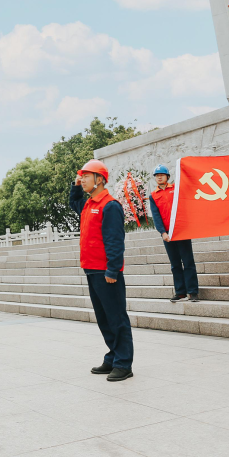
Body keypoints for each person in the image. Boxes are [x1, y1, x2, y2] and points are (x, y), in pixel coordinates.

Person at [69, 159, 133, 382]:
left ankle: (124, 363)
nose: (83, 179)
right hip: (91, 269)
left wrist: (113, 270)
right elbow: (73, 201)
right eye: (82, 176)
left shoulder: (110, 205)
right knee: (104, 318)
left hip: (106, 271)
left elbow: (115, 241)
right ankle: (113, 355)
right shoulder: (88, 205)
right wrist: (76, 185)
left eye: (86, 176)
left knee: (116, 317)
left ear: (99, 179)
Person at [148, 165, 199, 303]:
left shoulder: (176, 189)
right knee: (175, 264)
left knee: (188, 261)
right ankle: (180, 292)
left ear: (167, 177)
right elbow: (156, 216)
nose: (159, 177)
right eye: (157, 175)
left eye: (162, 175)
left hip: (181, 230)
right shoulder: (153, 195)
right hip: (168, 234)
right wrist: (163, 232)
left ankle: (192, 291)